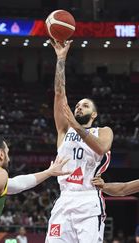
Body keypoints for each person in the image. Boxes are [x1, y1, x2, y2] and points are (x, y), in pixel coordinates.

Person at [46, 40, 114, 243]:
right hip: (64, 198)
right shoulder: (64, 130)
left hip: (88, 199)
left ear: (94, 113)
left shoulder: (103, 131)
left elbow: (102, 148)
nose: (79, 107)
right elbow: (59, 93)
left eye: (84, 106)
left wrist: (76, 125)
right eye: (77, 105)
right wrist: (61, 59)